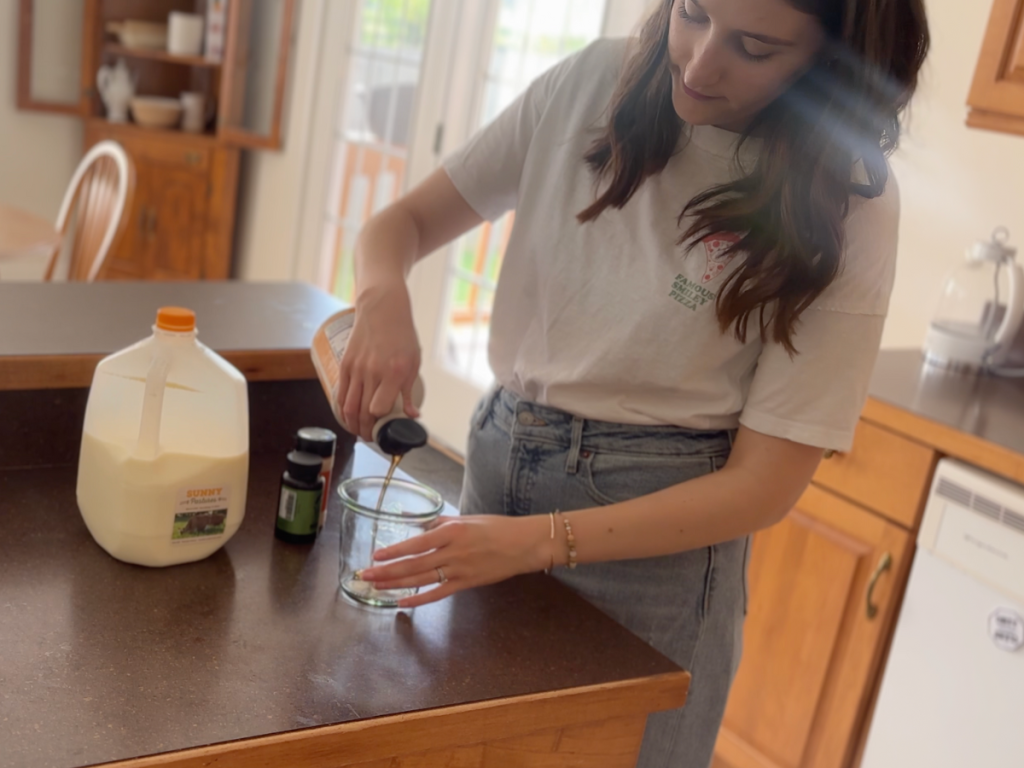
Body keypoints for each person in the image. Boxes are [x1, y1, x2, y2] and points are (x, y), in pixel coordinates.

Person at [340, 1, 929, 765]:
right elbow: (399, 226)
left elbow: (763, 488)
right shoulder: (593, 81)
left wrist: (541, 541)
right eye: (694, 12)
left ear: (832, 67)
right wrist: (382, 298)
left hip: (656, 540)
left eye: (753, 48)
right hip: (499, 465)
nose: (699, 61)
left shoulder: (848, 198)